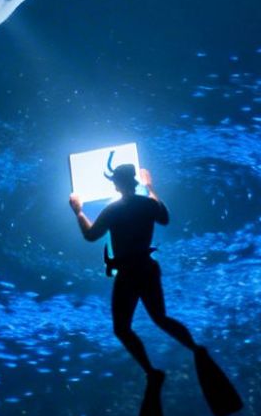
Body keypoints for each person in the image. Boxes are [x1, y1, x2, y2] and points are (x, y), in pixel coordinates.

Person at [67, 163, 203, 384]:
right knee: (160, 318)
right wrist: (150, 187)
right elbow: (165, 218)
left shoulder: (114, 210)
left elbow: (91, 235)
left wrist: (78, 211)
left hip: (128, 273)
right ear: (135, 181)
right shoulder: (147, 204)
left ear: (117, 185)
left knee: (122, 329)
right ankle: (196, 349)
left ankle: (151, 372)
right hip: (148, 268)